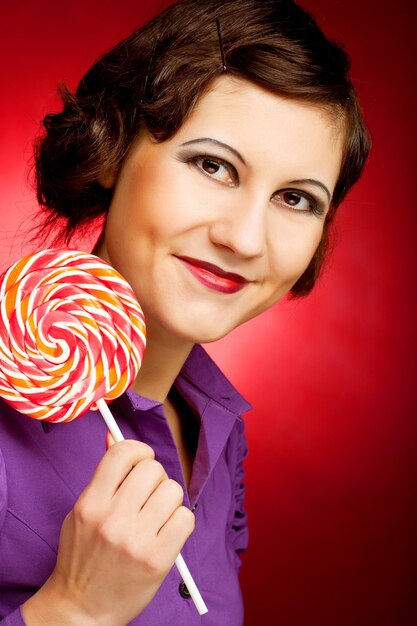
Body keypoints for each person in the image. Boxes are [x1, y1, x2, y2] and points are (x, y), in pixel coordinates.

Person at [0, 0, 370, 624]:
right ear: (113, 149)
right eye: (213, 165)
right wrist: (76, 610)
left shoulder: (221, 435)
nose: (247, 239)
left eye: (296, 198)